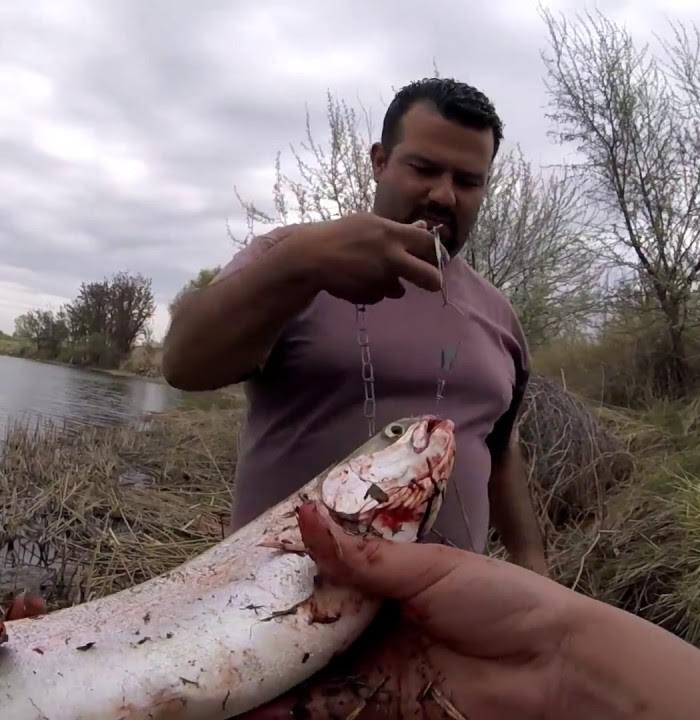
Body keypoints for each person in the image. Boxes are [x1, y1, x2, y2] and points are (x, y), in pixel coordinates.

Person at [0, 502, 700, 719]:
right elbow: (196, 353)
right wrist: (561, 650)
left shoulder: (496, 317)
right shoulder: (299, 266)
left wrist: (558, 632)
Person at [161, 77, 547, 574]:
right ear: (380, 162)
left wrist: (535, 567)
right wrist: (301, 263)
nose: (444, 195)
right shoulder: (294, 258)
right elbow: (183, 364)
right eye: (423, 168)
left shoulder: (501, 317)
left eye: (468, 181)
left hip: (443, 630)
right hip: (277, 617)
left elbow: (500, 451)